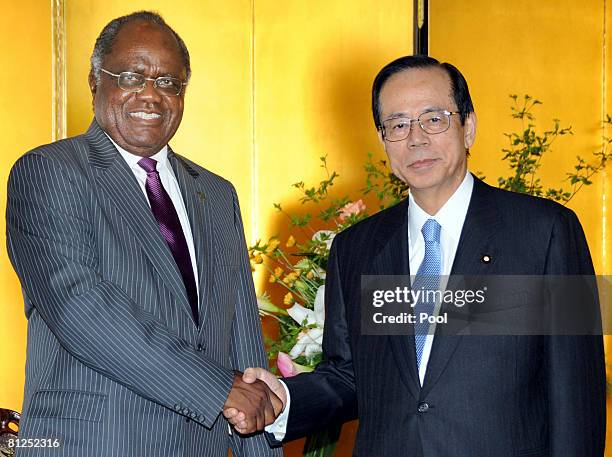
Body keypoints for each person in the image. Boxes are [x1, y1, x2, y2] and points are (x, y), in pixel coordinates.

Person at [225, 55, 606, 456]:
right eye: (398, 124)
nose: (416, 138)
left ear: (469, 128)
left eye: (434, 118)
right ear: (383, 140)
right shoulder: (357, 248)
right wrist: (285, 399)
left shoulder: (546, 232)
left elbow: (576, 391)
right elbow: (352, 377)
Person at [6, 11, 282, 457]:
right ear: (95, 81)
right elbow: (79, 306)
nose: (151, 95)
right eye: (132, 76)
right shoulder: (50, 172)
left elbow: (242, 338)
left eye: (169, 82)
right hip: (91, 444)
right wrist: (216, 389)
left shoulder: (217, 193)